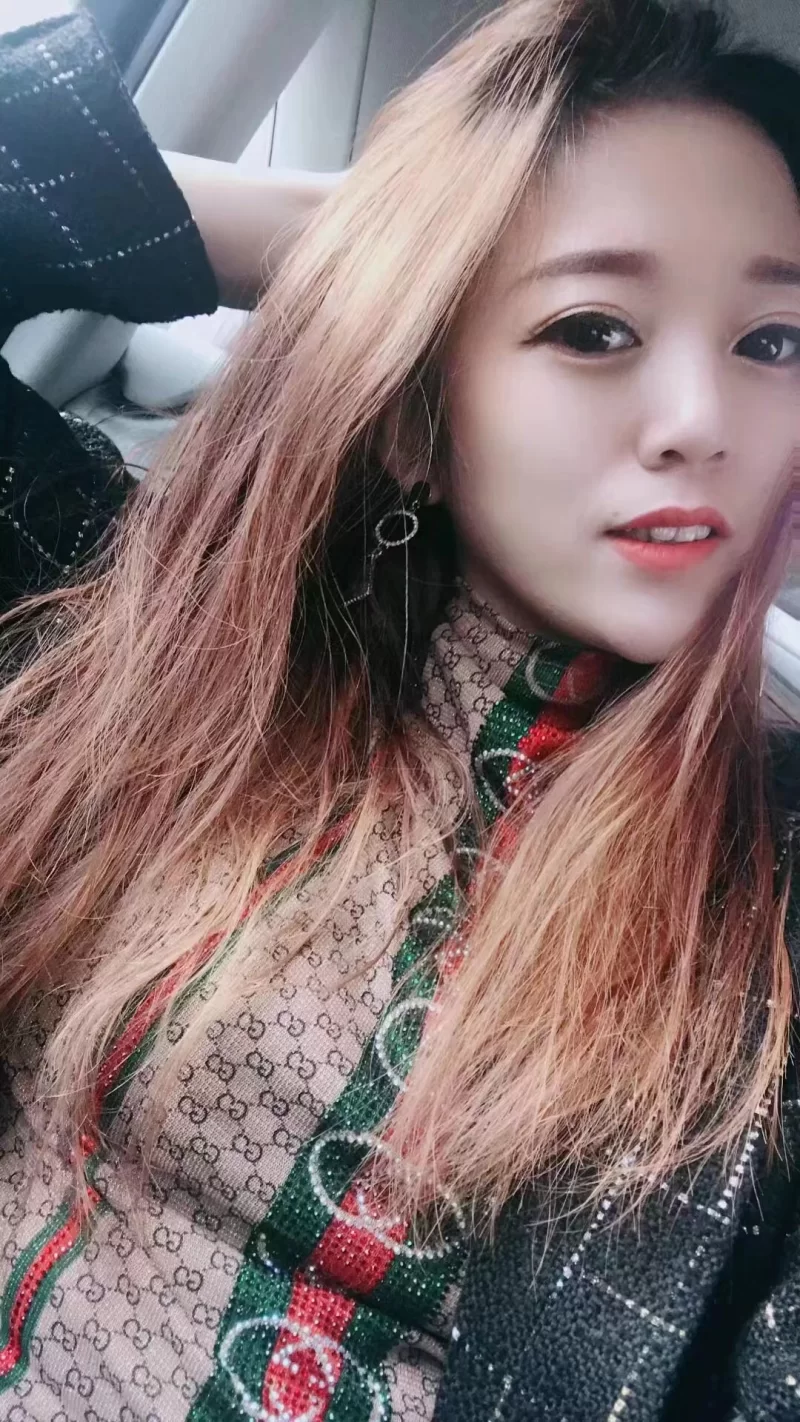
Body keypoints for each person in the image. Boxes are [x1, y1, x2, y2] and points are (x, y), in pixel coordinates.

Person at [1, 0, 800, 1417]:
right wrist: (345, 245)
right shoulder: (145, 636)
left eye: (775, 343)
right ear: (419, 414)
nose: (700, 420)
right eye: (594, 327)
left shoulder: (772, 899)